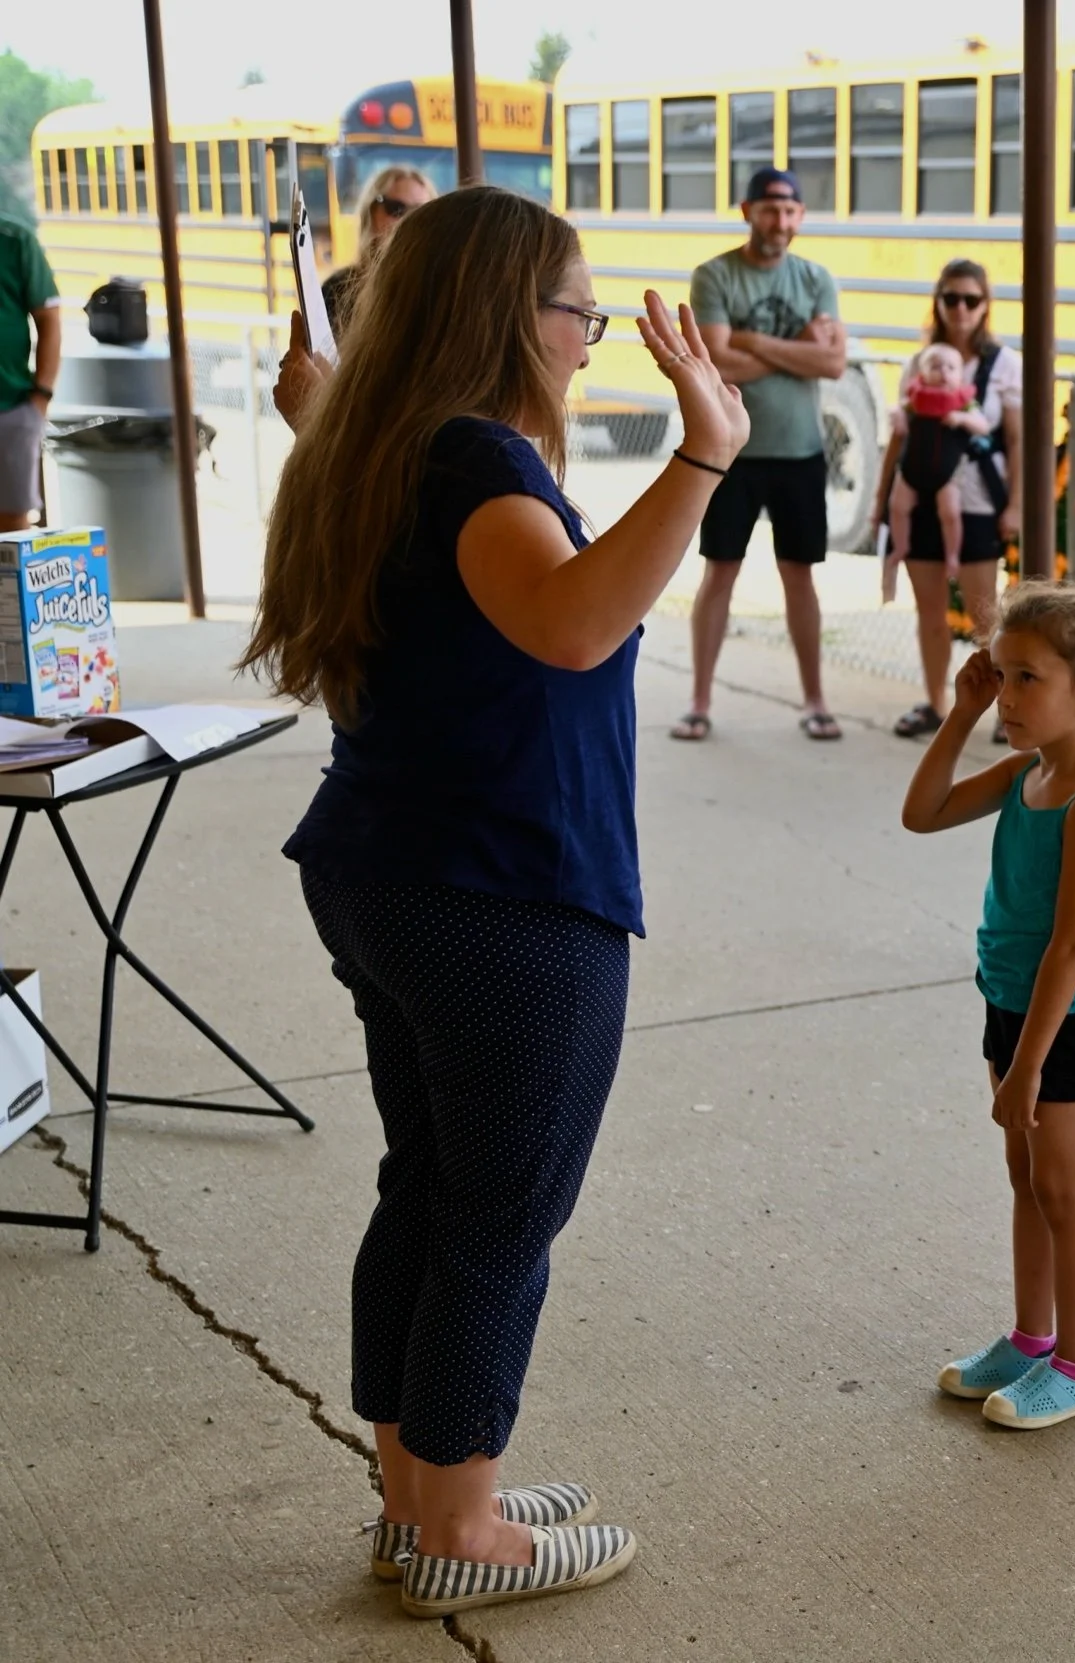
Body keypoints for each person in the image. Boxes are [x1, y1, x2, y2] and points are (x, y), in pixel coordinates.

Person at [243, 186, 748, 1614]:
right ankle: (458, 1526)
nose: (591, 333)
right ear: (502, 316)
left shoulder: (383, 445)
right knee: (500, 1209)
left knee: (437, 1183)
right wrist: (704, 456)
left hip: (396, 867)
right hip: (502, 888)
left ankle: (422, 1486)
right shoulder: (474, 464)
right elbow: (577, 620)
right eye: (576, 306)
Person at [900, 584, 1075, 1430]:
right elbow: (922, 812)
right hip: (1011, 1000)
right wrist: (961, 709)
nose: (1007, 697)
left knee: (1060, 1186)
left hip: (1064, 1021)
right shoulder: (1028, 771)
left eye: (1025, 680)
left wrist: (1027, 1067)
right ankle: (1030, 1337)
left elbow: (1073, 946)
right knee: (1024, 1178)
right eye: (1000, 675)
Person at [676, 167, 848, 742]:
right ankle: (699, 702)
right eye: (770, 209)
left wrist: (749, 341)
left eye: (791, 210)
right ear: (747, 210)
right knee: (719, 572)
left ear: (801, 217)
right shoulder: (715, 275)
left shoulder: (816, 279)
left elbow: (831, 363)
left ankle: (815, 701)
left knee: (799, 577)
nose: (780, 221)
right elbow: (716, 362)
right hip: (731, 450)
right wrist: (795, 347)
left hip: (800, 452)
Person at [887, 259, 1018, 740]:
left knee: (986, 612)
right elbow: (900, 437)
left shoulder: (1003, 365)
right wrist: (885, 499)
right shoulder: (917, 365)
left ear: (985, 307)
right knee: (930, 609)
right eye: (951, 298)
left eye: (971, 299)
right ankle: (936, 702)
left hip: (979, 498)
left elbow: (1019, 439)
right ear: (938, 303)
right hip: (922, 493)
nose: (960, 308)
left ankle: (1008, 706)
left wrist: (1017, 503)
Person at [881, 341, 986, 572]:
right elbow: (897, 408)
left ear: (961, 375)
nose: (943, 373)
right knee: (898, 507)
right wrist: (897, 417)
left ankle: (952, 555)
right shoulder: (917, 398)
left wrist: (961, 419)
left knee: (949, 512)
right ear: (922, 373)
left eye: (951, 368)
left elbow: (983, 426)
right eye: (935, 367)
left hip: (946, 472)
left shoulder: (963, 402)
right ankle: (900, 547)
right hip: (912, 468)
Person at [0, 213, 62, 534]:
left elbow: (49, 318)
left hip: (10, 405)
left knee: (10, 523)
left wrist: (41, 396)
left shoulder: (14, 239)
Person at [321, 166, 435, 339]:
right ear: (371, 211)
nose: (406, 220)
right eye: (396, 208)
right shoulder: (338, 289)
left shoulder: (440, 289)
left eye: (420, 213)